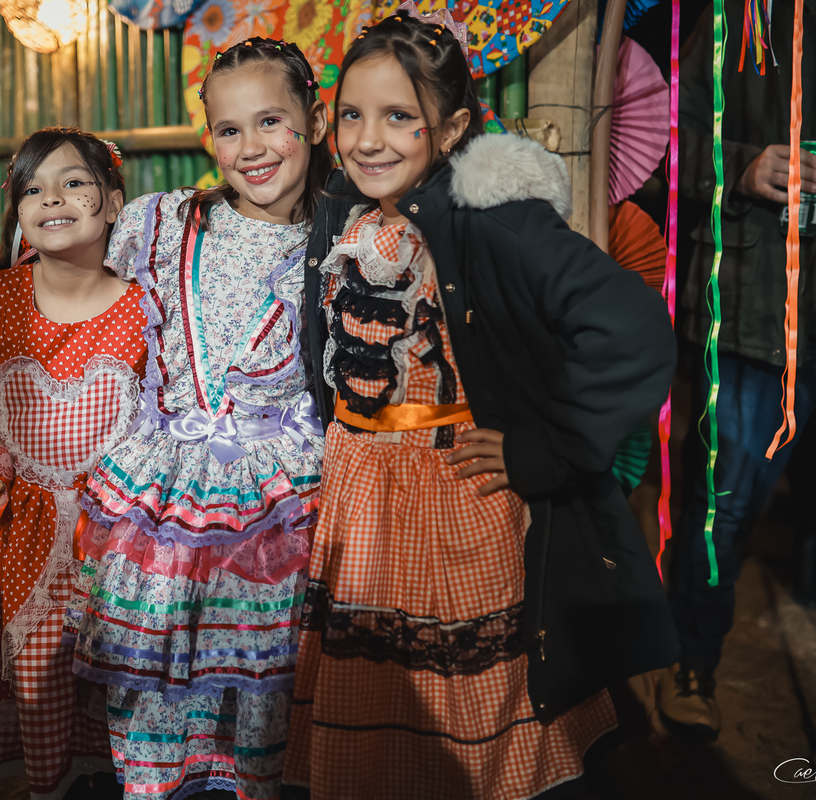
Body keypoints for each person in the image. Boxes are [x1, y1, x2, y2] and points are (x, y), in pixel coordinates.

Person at [283, 7, 679, 798]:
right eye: (352, 115)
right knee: (374, 704)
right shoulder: (341, 209)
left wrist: (549, 446)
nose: (368, 140)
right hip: (358, 500)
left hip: (454, 500)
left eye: (400, 117)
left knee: (463, 715)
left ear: (454, 128)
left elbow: (632, 331)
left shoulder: (491, 220)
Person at [67, 37, 331, 800]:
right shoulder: (165, 223)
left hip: (279, 499)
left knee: (262, 683)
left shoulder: (344, 240)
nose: (252, 148)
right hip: (164, 492)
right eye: (229, 130)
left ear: (315, 122)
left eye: (271, 121)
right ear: (208, 137)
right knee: (156, 680)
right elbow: (66, 300)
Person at [0, 127, 146, 798]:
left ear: (113, 202)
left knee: (110, 688)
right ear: (17, 211)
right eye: (32, 189)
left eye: (74, 183)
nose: (52, 198)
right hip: (12, 536)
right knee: (33, 683)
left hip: (114, 539)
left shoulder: (146, 302)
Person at [660, 0, 816, 742]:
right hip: (762, 322)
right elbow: (664, 139)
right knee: (723, 507)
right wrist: (742, 167)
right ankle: (690, 664)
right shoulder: (751, 16)